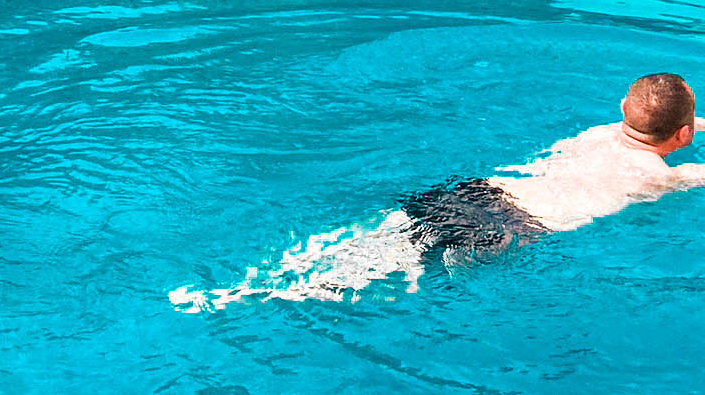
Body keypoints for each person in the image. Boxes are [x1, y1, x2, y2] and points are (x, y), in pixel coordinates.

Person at [170, 72, 705, 310]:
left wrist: (680, 122)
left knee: (379, 241)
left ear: (622, 111)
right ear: (682, 137)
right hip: (510, 228)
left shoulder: (597, 135)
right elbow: (682, 149)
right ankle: (268, 299)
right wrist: (684, 134)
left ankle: (256, 281)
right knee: (399, 272)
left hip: (473, 193)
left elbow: (656, 120)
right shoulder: (663, 178)